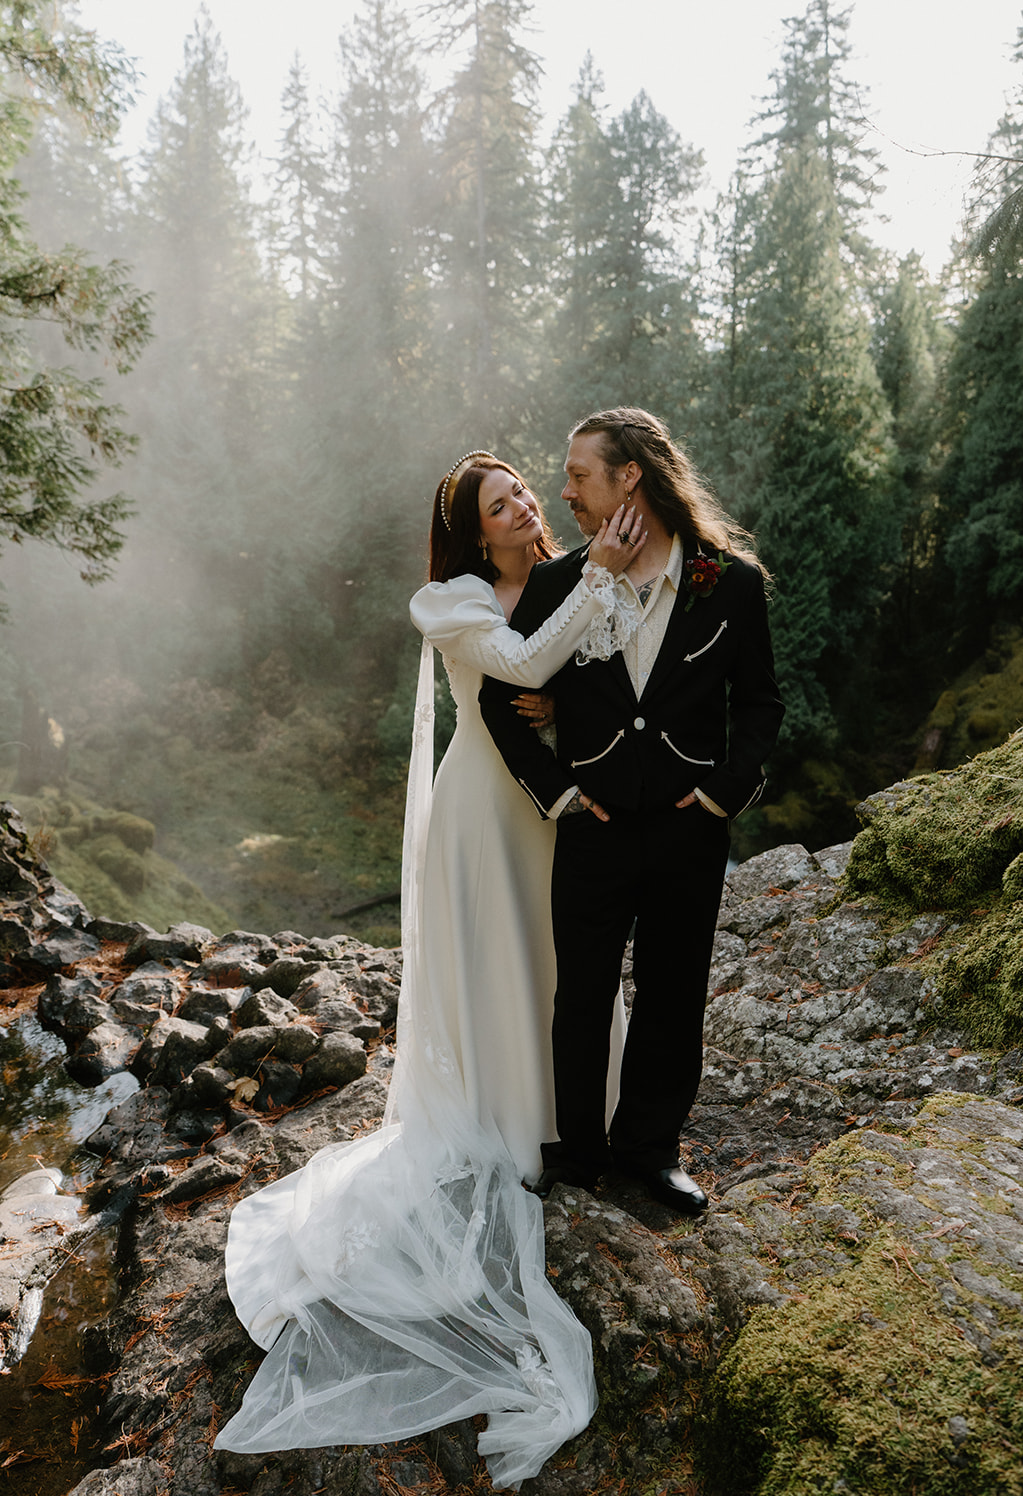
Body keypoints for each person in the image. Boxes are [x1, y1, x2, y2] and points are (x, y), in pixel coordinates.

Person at [215, 452, 641, 1491]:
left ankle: (585, 1106)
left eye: (525, 492)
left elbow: (600, 675)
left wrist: (578, 694)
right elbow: (524, 666)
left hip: (549, 810)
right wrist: (590, 596)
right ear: (471, 528)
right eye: (501, 504)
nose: (523, 506)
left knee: (565, 955)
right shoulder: (447, 601)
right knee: (504, 961)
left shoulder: (559, 576)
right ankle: (512, 1119)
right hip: (479, 817)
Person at [480, 408, 784, 1215]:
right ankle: (577, 1155)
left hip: (690, 829)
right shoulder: (555, 585)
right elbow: (496, 704)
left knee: (673, 993)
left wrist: (721, 794)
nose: (565, 492)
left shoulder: (731, 581)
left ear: (629, 479)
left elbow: (759, 707)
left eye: (580, 474)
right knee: (578, 996)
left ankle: (650, 1152)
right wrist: (558, 793)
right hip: (592, 826)